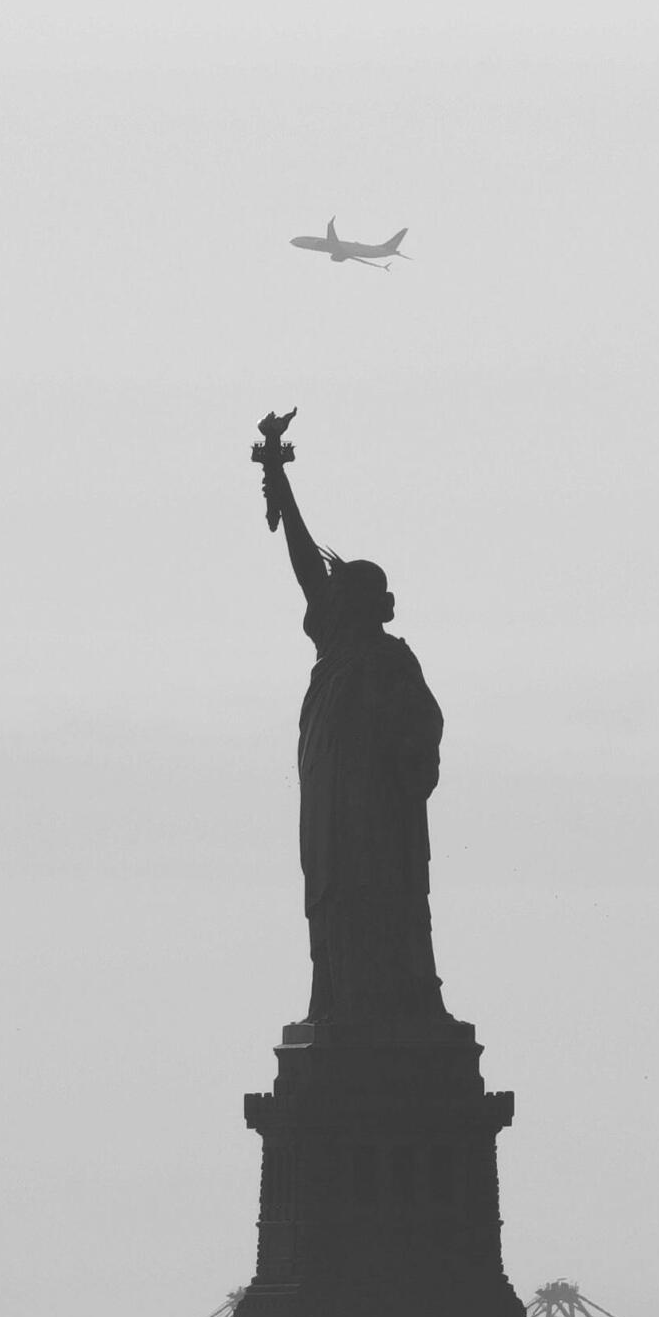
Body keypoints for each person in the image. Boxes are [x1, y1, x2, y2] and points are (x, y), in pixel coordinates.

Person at [256, 429, 450, 1027]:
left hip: (378, 816)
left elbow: (424, 731)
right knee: (331, 897)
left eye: (343, 593)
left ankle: (397, 1002)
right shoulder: (337, 645)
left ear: (369, 603)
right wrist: (280, 486)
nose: (329, 597)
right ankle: (335, 998)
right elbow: (305, 564)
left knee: (384, 899)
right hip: (330, 806)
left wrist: (406, 755)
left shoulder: (392, 662)